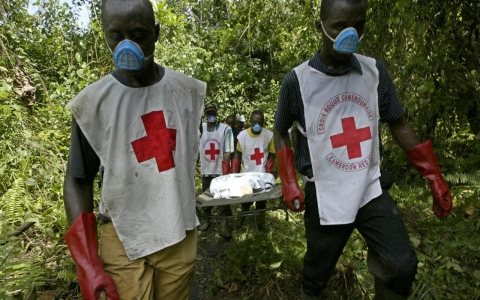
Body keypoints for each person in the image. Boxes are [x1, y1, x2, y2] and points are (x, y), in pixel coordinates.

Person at [273, 0, 453, 299]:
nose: (351, 34)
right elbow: (280, 131)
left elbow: (399, 123)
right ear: (320, 28)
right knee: (316, 276)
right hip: (325, 191)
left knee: (401, 266)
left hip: (370, 187)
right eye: (340, 26)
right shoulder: (298, 81)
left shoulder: (374, 72)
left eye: (358, 25)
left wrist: (433, 175)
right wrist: (289, 183)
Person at [62, 0, 206, 299]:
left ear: (156, 33)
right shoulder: (93, 103)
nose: (127, 45)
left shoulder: (187, 92)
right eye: (116, 35)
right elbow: (78, 178)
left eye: (139, 34)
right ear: (104, 34)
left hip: (178, 229)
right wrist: (87, 261)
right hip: (124, 235)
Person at [231, 110, 276, 231]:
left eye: (260, 122)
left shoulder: (268, 135)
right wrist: (234, 175)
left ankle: (260, 226)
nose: (257, 124)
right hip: (246, 176)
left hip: (262, 176)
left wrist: (269, 173)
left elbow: (272, 154)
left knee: (262, 204)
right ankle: (239, 225)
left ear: (263, 122)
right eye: (255, 121)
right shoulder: (242, 136)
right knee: (245, 202)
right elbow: (237, 155)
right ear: (250, 121)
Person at [198, 104, 234, 236]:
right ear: (206, 115)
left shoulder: (225, 129)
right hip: (207, 170)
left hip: (220, 169)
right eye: (208, 114)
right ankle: (206, 220)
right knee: (206, 196)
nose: (211, 116)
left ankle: (224, 223)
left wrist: (225, 170)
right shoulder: (200, 128)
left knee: (224, 197)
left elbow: (227, 151)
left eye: (213, 113)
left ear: (217, 113)